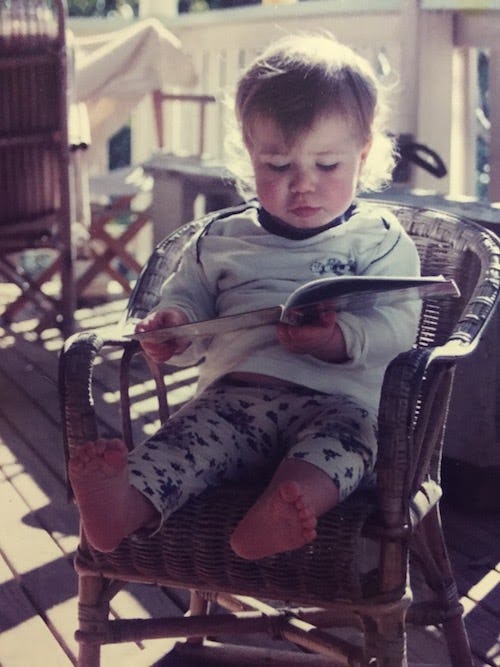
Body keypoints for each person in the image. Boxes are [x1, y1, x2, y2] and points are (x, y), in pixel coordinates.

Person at [69, 33, 421, 559]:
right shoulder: (220, 239)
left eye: (327, 165)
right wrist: (172, 329)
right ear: (249, 154)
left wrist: (336, 338)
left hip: (339, 403)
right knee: (182, 442)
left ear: (363, 153)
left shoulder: (380, 239)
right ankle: (122, 506)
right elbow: (186, 307)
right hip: (233, 401)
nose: (302, 185)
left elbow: (400, 328)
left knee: (349, 445)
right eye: (278, 166)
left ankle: (287, 506)